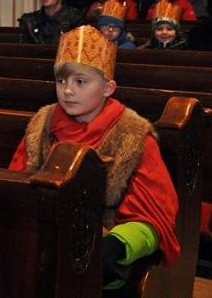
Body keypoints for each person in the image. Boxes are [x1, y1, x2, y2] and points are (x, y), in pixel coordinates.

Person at [9, 25, 179, 291]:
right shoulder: (41, 125)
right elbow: (15, 187)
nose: (67, 91)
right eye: (61, 81)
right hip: (42, 246)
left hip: (102, 256)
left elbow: (156, 214)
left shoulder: (133, 136)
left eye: (80, 82)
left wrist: (117, 244)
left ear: (108, 88)